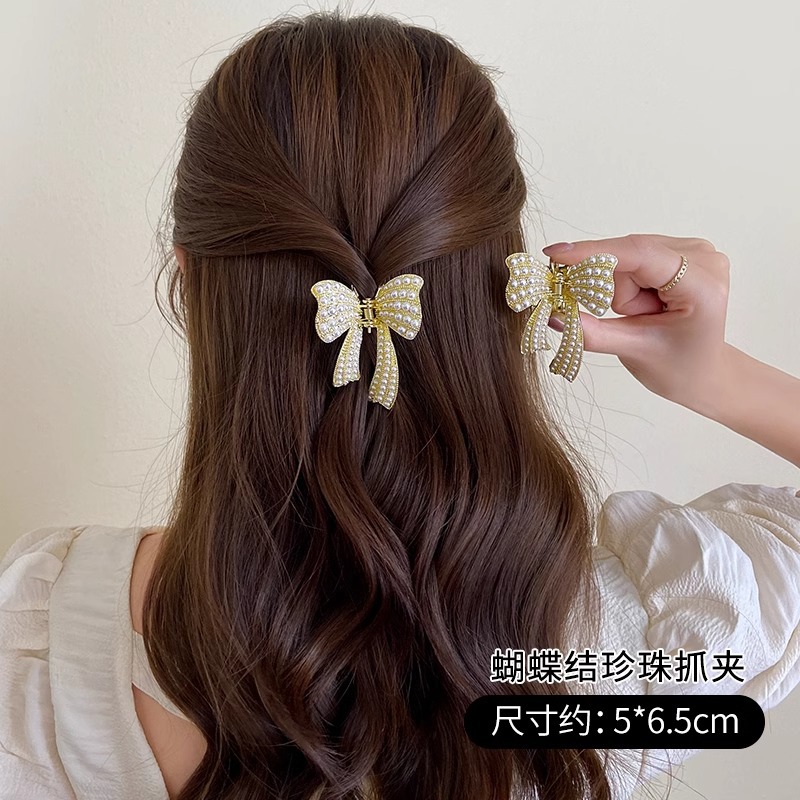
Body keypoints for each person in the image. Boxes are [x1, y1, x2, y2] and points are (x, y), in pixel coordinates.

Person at [1, 9, 799, 800]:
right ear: (510, 284)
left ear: (188, 278)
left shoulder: (41, 641)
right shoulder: (645, 640)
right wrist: (717, 376)